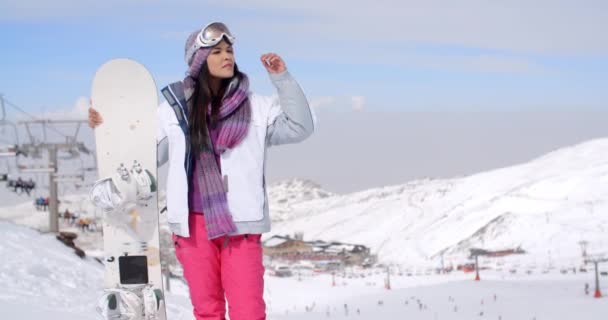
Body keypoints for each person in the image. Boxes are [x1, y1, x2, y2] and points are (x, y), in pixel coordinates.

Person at [89, 22, 315, 320]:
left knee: (249, 312)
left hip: (241, 226)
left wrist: (282, 79)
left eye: (230, 50)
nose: (227, 56)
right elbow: (145, 155)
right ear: (199, 60)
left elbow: (300, 127)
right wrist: (106, 127)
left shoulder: (257, 107)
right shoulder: (174, 110)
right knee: (207, 311)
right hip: (193, 226)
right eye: (217, 51)